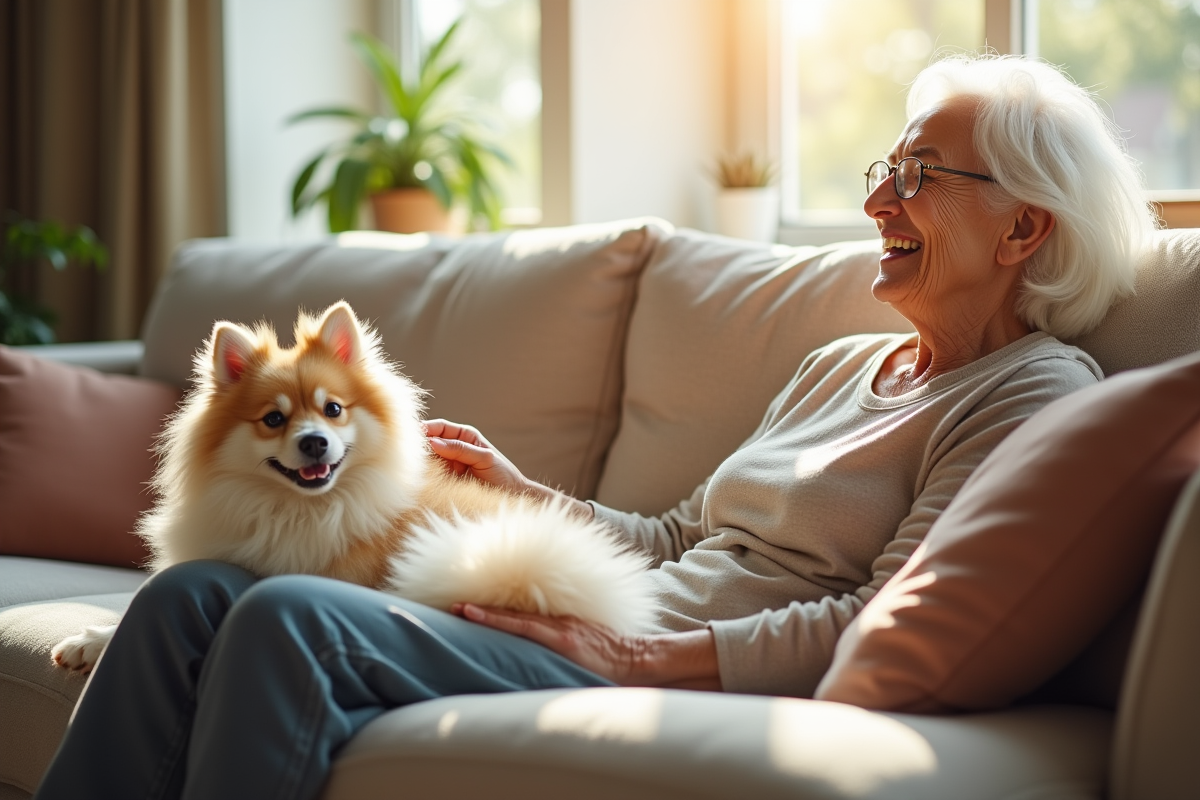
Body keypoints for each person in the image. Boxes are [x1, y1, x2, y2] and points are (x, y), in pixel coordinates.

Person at [34, 53, 1157, 800]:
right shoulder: (844, 362)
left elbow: (884, 617)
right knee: (194, 595)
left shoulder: (1029, 391)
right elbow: (670, 536)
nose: (878, 200)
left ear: (1022, 229)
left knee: (290, 619)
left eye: (917, 174)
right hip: (610, 609)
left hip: (657, 663)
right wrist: (529, 489)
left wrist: (636, 653)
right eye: (883, 168)